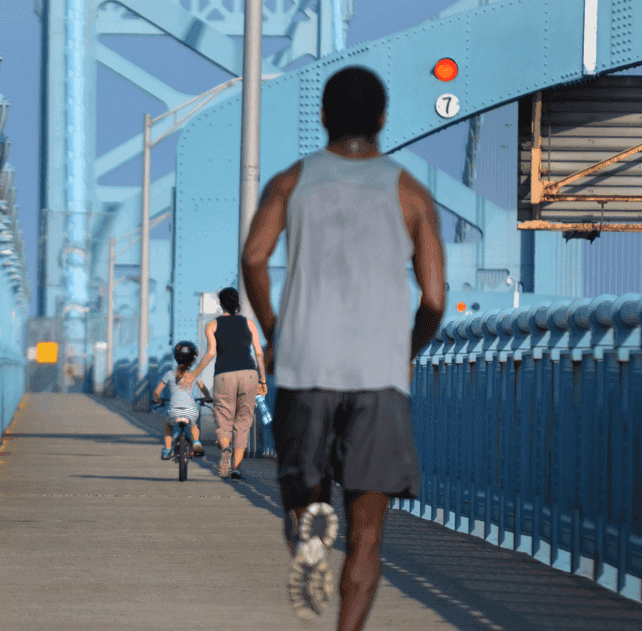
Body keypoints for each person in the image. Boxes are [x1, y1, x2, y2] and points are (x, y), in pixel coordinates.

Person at [241, 66, 446, 628]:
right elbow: (433, 298)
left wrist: (275, 328)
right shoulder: (412, 193)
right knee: (368, 535)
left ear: (325, 116)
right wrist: (407, 349)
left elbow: (255, 256)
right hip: (380, 379)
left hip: (306, 369)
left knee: (305, 510)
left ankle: (310, 557)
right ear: (382, 119)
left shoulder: (290, 183)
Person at [180, 287, 268, 480]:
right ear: (237, 304)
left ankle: (225, 447)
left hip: (225, 374)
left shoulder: (212, 325)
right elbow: (259, 352)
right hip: (249, 373)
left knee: (224, 418)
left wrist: (194, 374)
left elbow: (211, 353)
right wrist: (262, 379)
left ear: (221, 305)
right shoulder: (249, 323)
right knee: (243, 422)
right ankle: (236, 468)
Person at [153, 341, 211, 460]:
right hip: (190, 411)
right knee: (193, 424)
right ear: (193, 359)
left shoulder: (169, 374)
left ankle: (167, 450)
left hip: (174, 412)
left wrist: (157, 400)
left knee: (168, 425)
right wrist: (207, 397)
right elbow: (204, 390)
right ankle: (196, 442)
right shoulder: (193, 375)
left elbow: (157, 392)